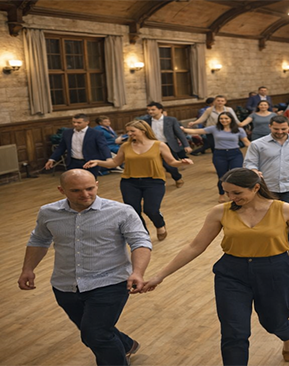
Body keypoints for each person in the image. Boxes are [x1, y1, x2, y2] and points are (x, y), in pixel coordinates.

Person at [141, 168, 289, 365]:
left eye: (237, 192)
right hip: (231, 273)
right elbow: (195, 247)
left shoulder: (284, 209)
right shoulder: (219, 212)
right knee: (234, 332)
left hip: (275, 271)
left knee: (274, 322)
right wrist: (159, 276)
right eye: (227, 192)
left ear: (255, 188)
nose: (231, 197)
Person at [18, 170, 151, 366]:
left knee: (95, 334)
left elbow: (140, 241)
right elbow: (39, 239)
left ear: (97, 184)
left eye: (90, 188)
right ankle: (126, 344)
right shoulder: (48, 212)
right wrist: (27, 269)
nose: (85, 194)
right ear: (61, 190)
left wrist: (137, 272)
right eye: (76, 190)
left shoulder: (121, 211)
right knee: (94, 331)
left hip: (110, 282)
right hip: (65, 285)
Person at [85, 120, 193, 239]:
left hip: (154, 181)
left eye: (132, 131)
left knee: (151, 209)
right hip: (130, 182)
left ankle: (160, 225)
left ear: (143, 130)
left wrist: (181, 162)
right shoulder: (126, 146)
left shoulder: (159, 145)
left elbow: (171, 162)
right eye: (128, 131)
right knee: (133, 211)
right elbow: (114, 162)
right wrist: (98, 162)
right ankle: (143, 235)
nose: (129, 134)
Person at [243, 116, 289, 256]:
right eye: (276, 129)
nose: (280, 131)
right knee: (267, 216)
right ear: (270, 126)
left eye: (283, 129)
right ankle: (269, 243)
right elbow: (249, 163)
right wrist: (253, 171)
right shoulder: (257, 144)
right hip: (267, 187)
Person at [183, 112, 251, 203]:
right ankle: (221, 194)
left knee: (236, 175)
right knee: (222, 176)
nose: (224, 120)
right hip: (220, 154)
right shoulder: (215, 128)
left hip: (235, 154)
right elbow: (197, 131)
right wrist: (183, 129)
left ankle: (236, 194)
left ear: (231, 119)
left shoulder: (238, 130)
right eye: (221, 118)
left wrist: (258, 150)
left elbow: (246, 142)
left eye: (226, 118)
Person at [140, 102, 191, 188]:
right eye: (148, 110)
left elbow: (179, 134)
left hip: (168, 145)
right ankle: (159, 182)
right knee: (157, 165)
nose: (150, 112)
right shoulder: (146, 122)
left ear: (160, 110)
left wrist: (186, 145)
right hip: (153, 146)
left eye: (153, 109)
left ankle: (177, 178)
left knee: (170, 165)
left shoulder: (171, 120)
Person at [45, 114, 111, 177]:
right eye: (74, 122)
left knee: (90, 183)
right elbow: (61, 147)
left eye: (79, 123)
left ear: (87, 122)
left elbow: (103, 146)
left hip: (89, 162)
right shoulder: (67, 133)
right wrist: (52, 159)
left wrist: (108, 159)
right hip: (73, 162)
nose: (75, 124)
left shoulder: (96, 133)